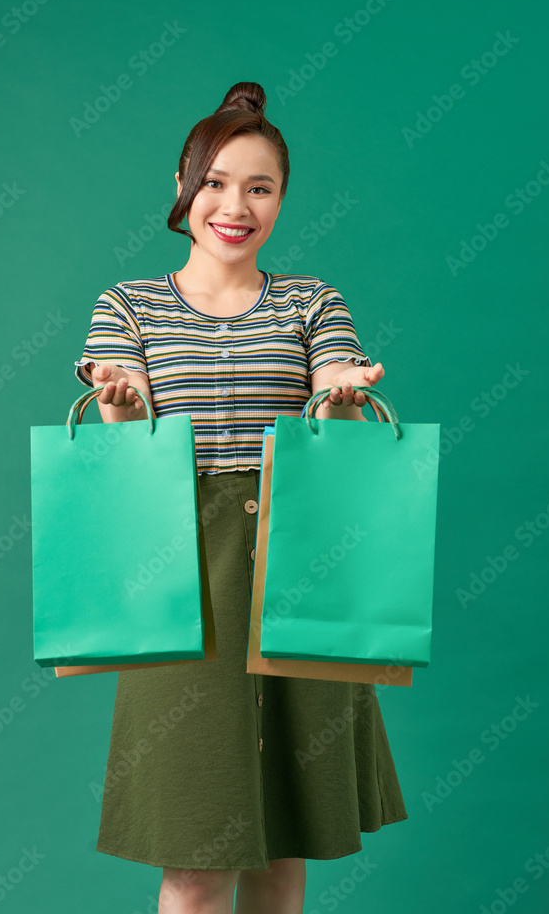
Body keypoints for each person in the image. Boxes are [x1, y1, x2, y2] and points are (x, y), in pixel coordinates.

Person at [73, 81, 408, 914]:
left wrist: (342, 390)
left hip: (299, 563)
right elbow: (124, 429)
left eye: (259, 187)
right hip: (184, 572)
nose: (236, 205)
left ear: (281, 200)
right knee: (194, 853)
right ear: (185, 188)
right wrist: (118, 397)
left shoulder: (311, 301)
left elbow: (333, 372)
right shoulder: (128, 306)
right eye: (216, 183)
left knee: (283, 848)